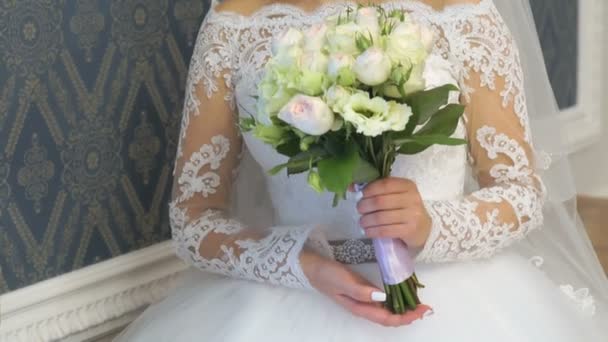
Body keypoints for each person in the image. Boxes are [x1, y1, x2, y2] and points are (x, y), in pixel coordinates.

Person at [114, 0, 608, 340]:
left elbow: (521, 192)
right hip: (291, 300)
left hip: (459, 300)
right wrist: (300, 264)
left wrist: (432, 225)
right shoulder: (237, 19)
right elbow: (193, 217)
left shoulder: (460, 13)